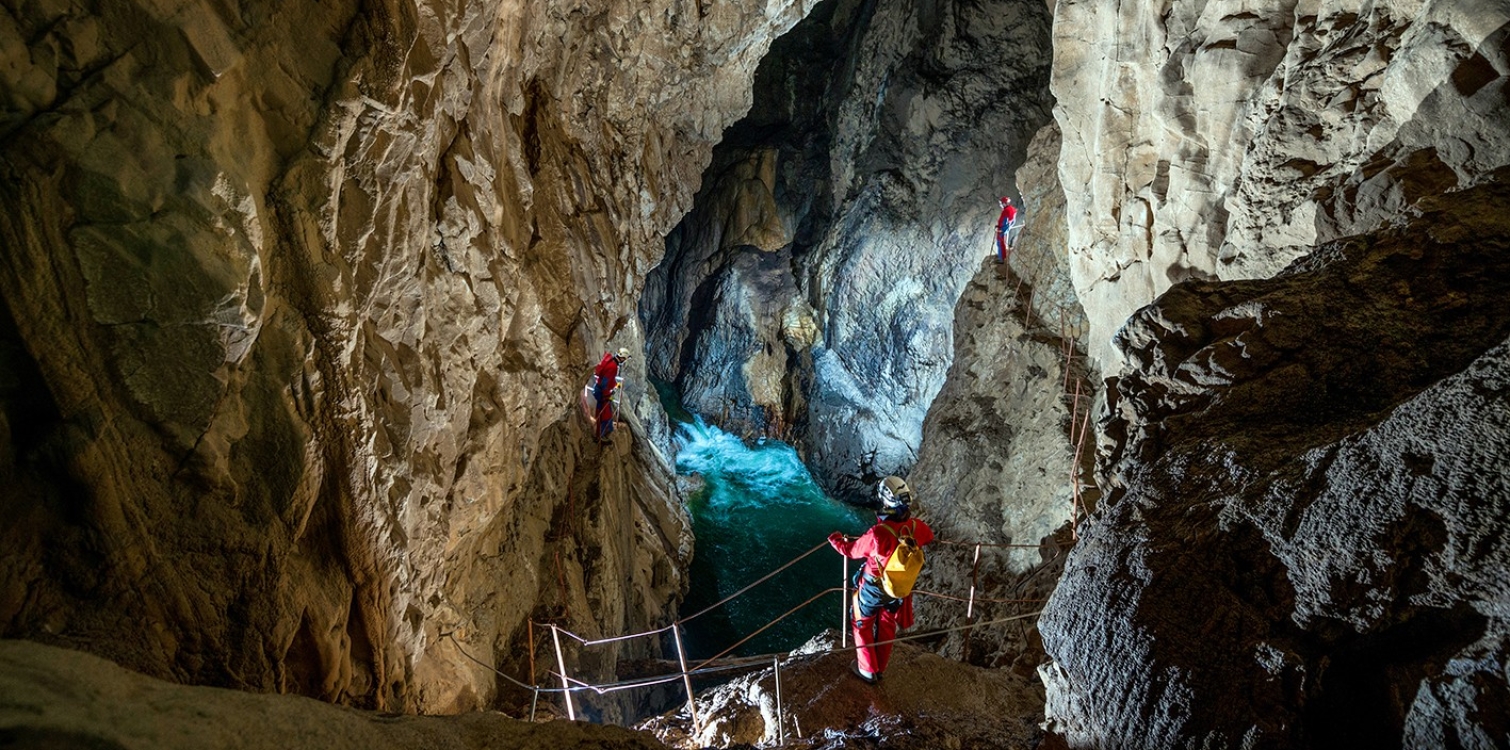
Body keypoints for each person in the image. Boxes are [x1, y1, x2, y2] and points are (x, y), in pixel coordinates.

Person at [827, 476, 935, 684]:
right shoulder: (916, 527)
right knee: (886, 624)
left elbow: (852, 550)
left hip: (873, 588)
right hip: (898, 589)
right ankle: (881, 667)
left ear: (887, 501)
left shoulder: (879, 533)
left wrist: (836, 540)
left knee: (862, 624)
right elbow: (928, 537)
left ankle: (867, 671)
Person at [593, 347, 629, 412]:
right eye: (624, 359)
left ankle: (598, 421)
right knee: (605, 414)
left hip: (598, 388)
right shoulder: (613, 367)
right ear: (622, 358)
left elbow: (608, 378)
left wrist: (615, 384)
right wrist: (607, 396)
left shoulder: (611, 362)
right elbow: (604, 383)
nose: (624, 361)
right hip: (601, 393)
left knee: (600, 411)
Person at [995, 196, 1018, 264]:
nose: (1001, 205)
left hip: (1002, 230)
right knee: (1001, 243)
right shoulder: (1009, 209)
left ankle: (1001, 259)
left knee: (1000, 244)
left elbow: (1011, 222)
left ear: (1004, 203)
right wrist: (998, 226)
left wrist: (1003, 229)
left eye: (1001, 203)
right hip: (1002, 229)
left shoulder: (1007, 210)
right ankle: (1001, 257)